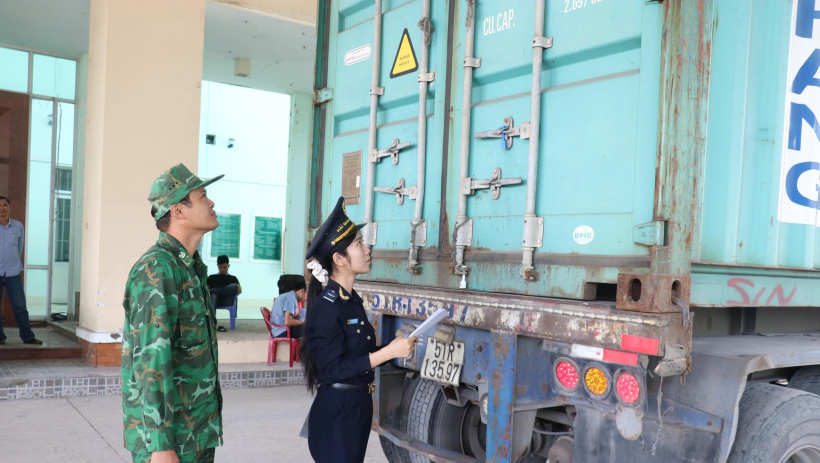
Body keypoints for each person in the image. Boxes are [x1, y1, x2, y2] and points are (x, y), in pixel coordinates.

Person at [300, 197, 418, 463]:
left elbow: (356, 355)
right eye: (359, 244)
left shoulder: (351, 300)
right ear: (339, 259)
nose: (367, 250)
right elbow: (332, 370)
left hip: (357, 407)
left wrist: (392, 349)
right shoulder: (327, 307)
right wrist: (387, 352)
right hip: (338, 411)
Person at [122, 164, 225, 463]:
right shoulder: (158, 269)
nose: (212, 203)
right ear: (178, 211)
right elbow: (151, 362)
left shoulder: (191, 268)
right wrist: (160, 445)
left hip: (196, 431)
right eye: (204, 196)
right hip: (170, 442)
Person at [0, 196, 42, 345]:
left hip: (13, 273)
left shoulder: (18, 226)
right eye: (0, 205)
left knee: (20, 306)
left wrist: (15, 264)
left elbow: (19, 247)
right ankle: (0, 336)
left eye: (5, 205)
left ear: (9, 208)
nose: (2, 208)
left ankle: (28, 337)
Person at [207, 255, 241, 331]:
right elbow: (205, 289)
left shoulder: (233, 278)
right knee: (213, 295)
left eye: (224, 267)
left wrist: (218, 290)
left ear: (228, 266)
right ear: (217, 266)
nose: (222, 269)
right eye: (220, 267)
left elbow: (239, 290)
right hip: (214, 300)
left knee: (234, 286)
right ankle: (212, 323)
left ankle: (214, 290)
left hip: (227, 300)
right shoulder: (212, 277)